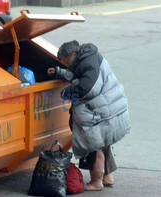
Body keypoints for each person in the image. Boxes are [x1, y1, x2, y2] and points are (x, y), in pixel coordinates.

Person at [47, 41, 131, 191]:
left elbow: (88, 88)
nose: (67, 65)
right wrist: (59, 71)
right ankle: (107, 176)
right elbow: (76, 75)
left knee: (93, 145)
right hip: (106, 108)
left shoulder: (88, 63)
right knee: (103, 143)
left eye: (66, 61)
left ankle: (96, 181)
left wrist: (67, 93)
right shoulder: (87, 58)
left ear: (73, 54)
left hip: (101, 111)